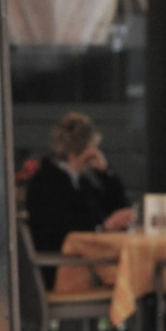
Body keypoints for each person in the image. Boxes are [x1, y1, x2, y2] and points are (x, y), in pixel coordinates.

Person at [24, 111, 134, 274]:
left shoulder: (80, 182)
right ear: (81, 150)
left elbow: (118, 207)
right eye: (92, 146)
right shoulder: (46, 182)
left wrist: (105, 172)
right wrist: (104, 227)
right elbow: (64, 230)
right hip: (63, 266)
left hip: (87, 262)